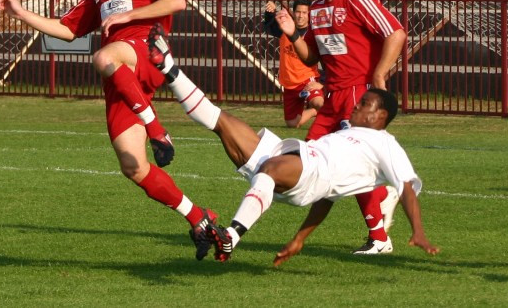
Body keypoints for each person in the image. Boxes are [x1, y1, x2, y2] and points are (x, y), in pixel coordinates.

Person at [0, 0, 218, 259]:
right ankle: (199, 218)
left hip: (146, 52)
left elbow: (178, 1)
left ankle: (158, 131)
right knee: (133, 167)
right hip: (121, 78)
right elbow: (69, 30)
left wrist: (128, 16)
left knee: (102, 58)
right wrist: (21, 13)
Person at [146, 23, 438, 265]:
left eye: (364, 104)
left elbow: (408, 189)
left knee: (271, 168)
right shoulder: (350, 132)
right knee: (224, 123)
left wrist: (419, 232)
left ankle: (231, 237)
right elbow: (329, 198)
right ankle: (170, 69)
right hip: (302, 159)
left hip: (310, 171)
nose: (356, 106)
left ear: (381, 116)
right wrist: (299, 238)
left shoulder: (386, 145)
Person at [274, 0, 408, 254]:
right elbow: (311, 55)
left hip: (358, 94)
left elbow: (396, 33)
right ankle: (383, 193)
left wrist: (379, 75)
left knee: (346, 166)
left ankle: (378, 237)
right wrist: (293, 34)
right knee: (312, 161)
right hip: (332, 96)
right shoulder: (318, 6)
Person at [263, 0, 324, 128]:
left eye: (304, 12)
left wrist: (322, 83)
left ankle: (342, 124)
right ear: (293, 12)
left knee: (319, 103)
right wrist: (270, 12)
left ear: (309, 14)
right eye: (298, 12)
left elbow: (327, 60)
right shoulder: (285, 29)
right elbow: (270, 25)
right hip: (290, 84)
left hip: (307, 80)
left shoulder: (314, 34)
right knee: (292, 124)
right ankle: (314, 112)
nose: (300, 16)